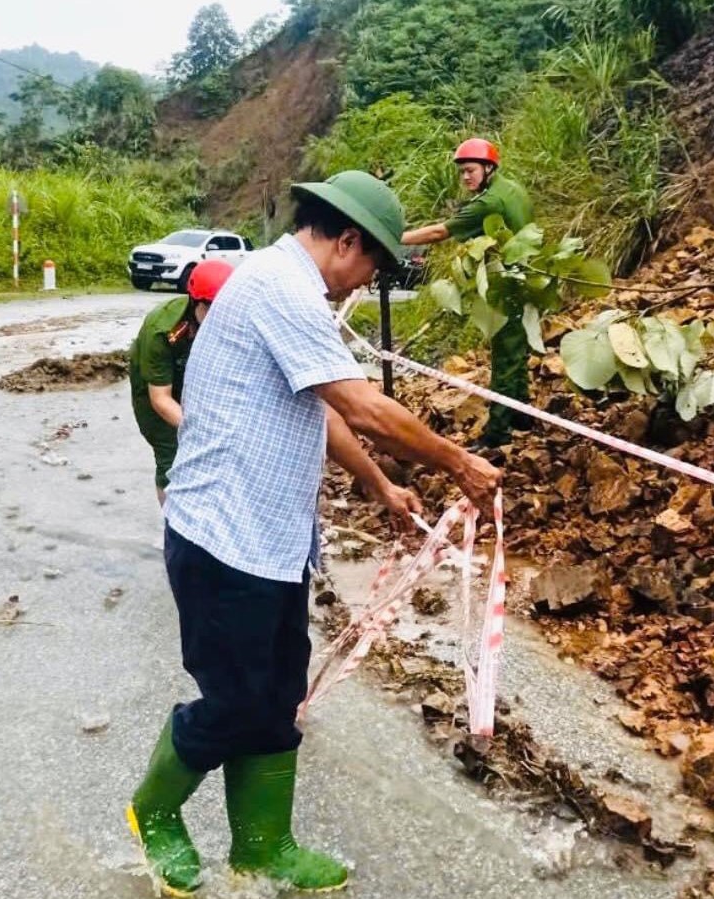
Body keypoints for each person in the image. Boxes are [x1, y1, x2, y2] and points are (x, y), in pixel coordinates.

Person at [126, 170, 502, 895]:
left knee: (276, 697)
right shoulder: (279, 287)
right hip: (221, 537)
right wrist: (457, 461)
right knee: (234, 699)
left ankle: (263, 844)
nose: (365, 280)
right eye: (373, 266)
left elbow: (326, 411)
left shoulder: (284, 289)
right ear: (347, 242)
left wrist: (378, 483)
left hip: (272, 540)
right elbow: (361, 405)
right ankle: (155, 809)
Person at [402, 138, 535, 447]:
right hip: (526, 277)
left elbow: (439, 232)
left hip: (508, 284)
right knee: (517, 350)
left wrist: (393, 236)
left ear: (488, 168)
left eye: (471, 170)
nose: (465, 178)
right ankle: (523, 417)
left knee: (505, 358)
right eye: (461, 172)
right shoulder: (512, 188)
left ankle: (497, 435)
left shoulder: (488, 202)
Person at [128, 259, 234, 505]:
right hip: (156, 389)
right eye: (213, 309)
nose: (221, 318)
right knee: (172, 456)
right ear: (197, 302)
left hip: (192, 377)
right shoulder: (163, 330)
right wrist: (199, 428)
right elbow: (161, 399)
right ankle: (173, 531)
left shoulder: (226, 319)